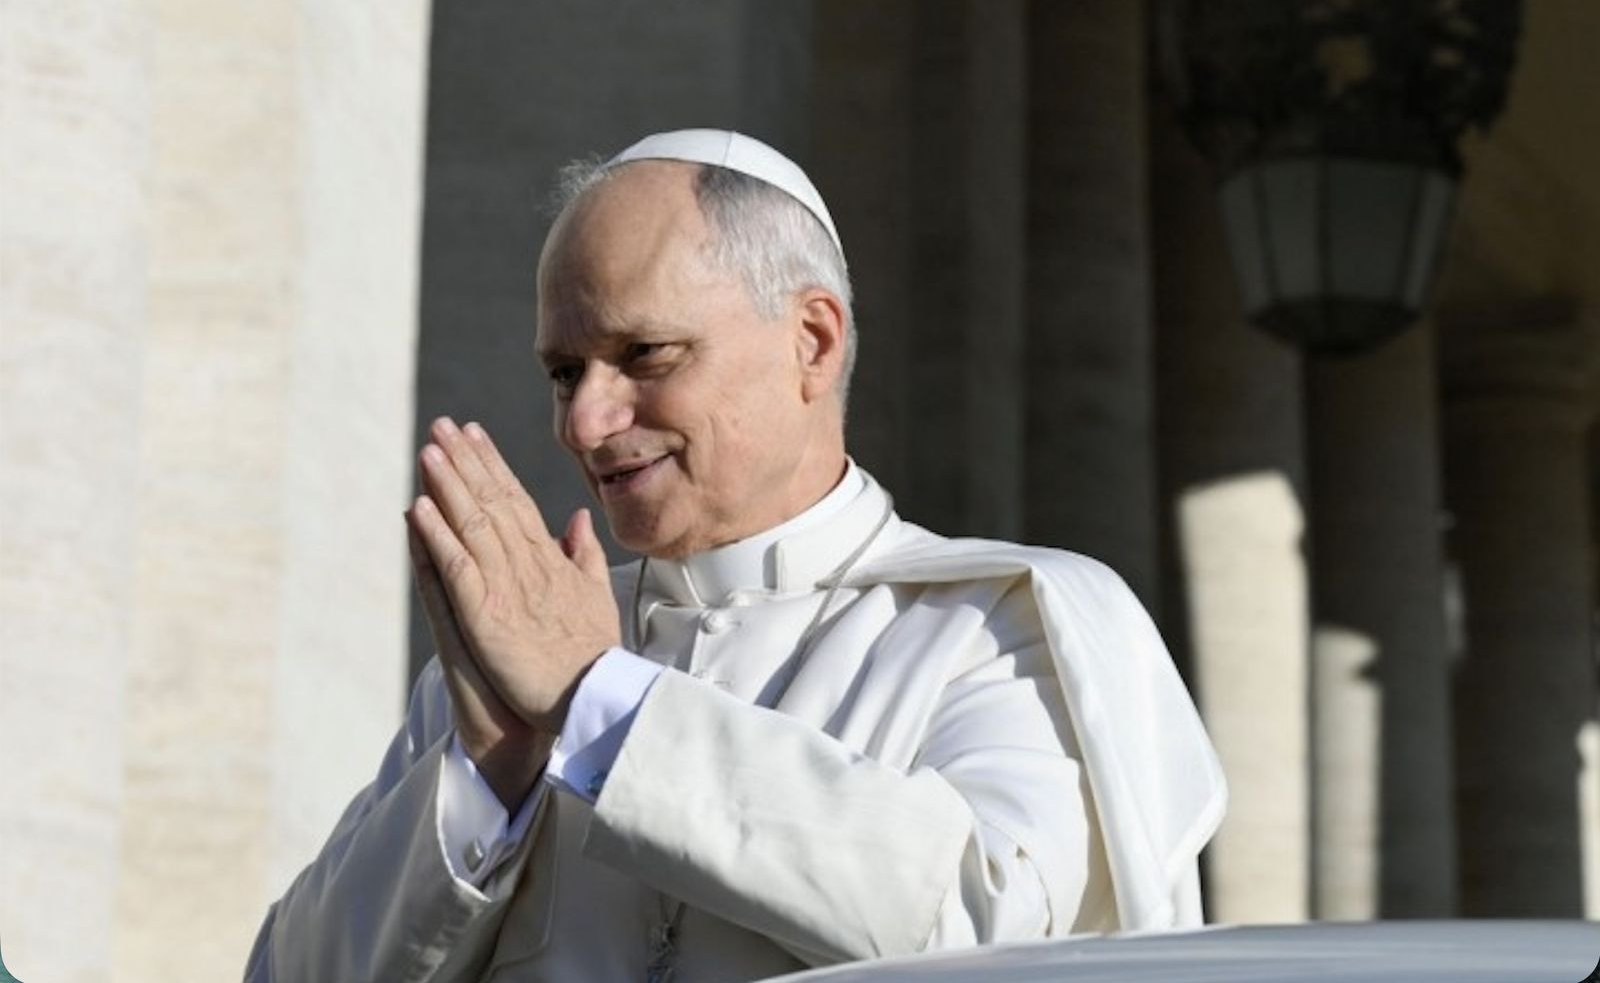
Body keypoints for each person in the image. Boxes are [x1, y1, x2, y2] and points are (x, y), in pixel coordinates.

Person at [244, 129, 1226, 982]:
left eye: (645, 356)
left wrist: (602, 704)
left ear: (810, 340)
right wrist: (492, 774)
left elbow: (996, 927)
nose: (585, 420)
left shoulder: (998, 625)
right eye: (561, 371)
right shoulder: (518, 662)